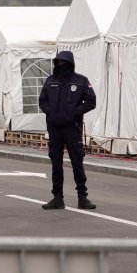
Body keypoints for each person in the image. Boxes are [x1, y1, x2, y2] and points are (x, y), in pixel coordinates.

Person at [38, 50, 97, 210]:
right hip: (55, 128)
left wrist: (74, 113)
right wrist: (51, 112)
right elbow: (42, 100)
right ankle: (57, 198)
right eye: (58, 62)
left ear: (70, 64)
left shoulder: (81, 81)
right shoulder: (50, 81)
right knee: (55, 163)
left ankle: (82, 198)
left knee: (77, 162)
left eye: (63, 62)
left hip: (73, 128)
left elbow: (91, 101)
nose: (60, 65)